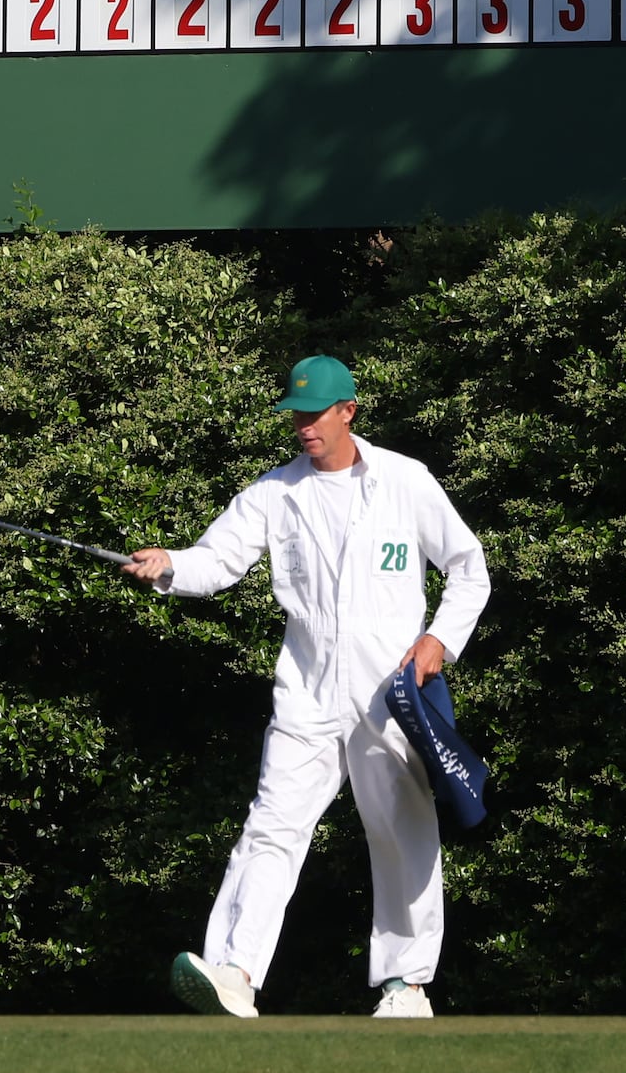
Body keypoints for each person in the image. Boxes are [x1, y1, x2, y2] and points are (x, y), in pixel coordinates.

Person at [126, 355, 489, 1020]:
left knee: (401, 828)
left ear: (349, 410)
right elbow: (218, 557)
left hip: (390, 695)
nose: (302, 426)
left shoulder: (406, 480)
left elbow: (470, 567)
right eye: (295, 414)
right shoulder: (273, 492)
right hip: (307, 695)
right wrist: (169, 562)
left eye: (314, 412)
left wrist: (440, 638)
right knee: (271, 824)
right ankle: (234, 973)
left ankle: (405, 986)